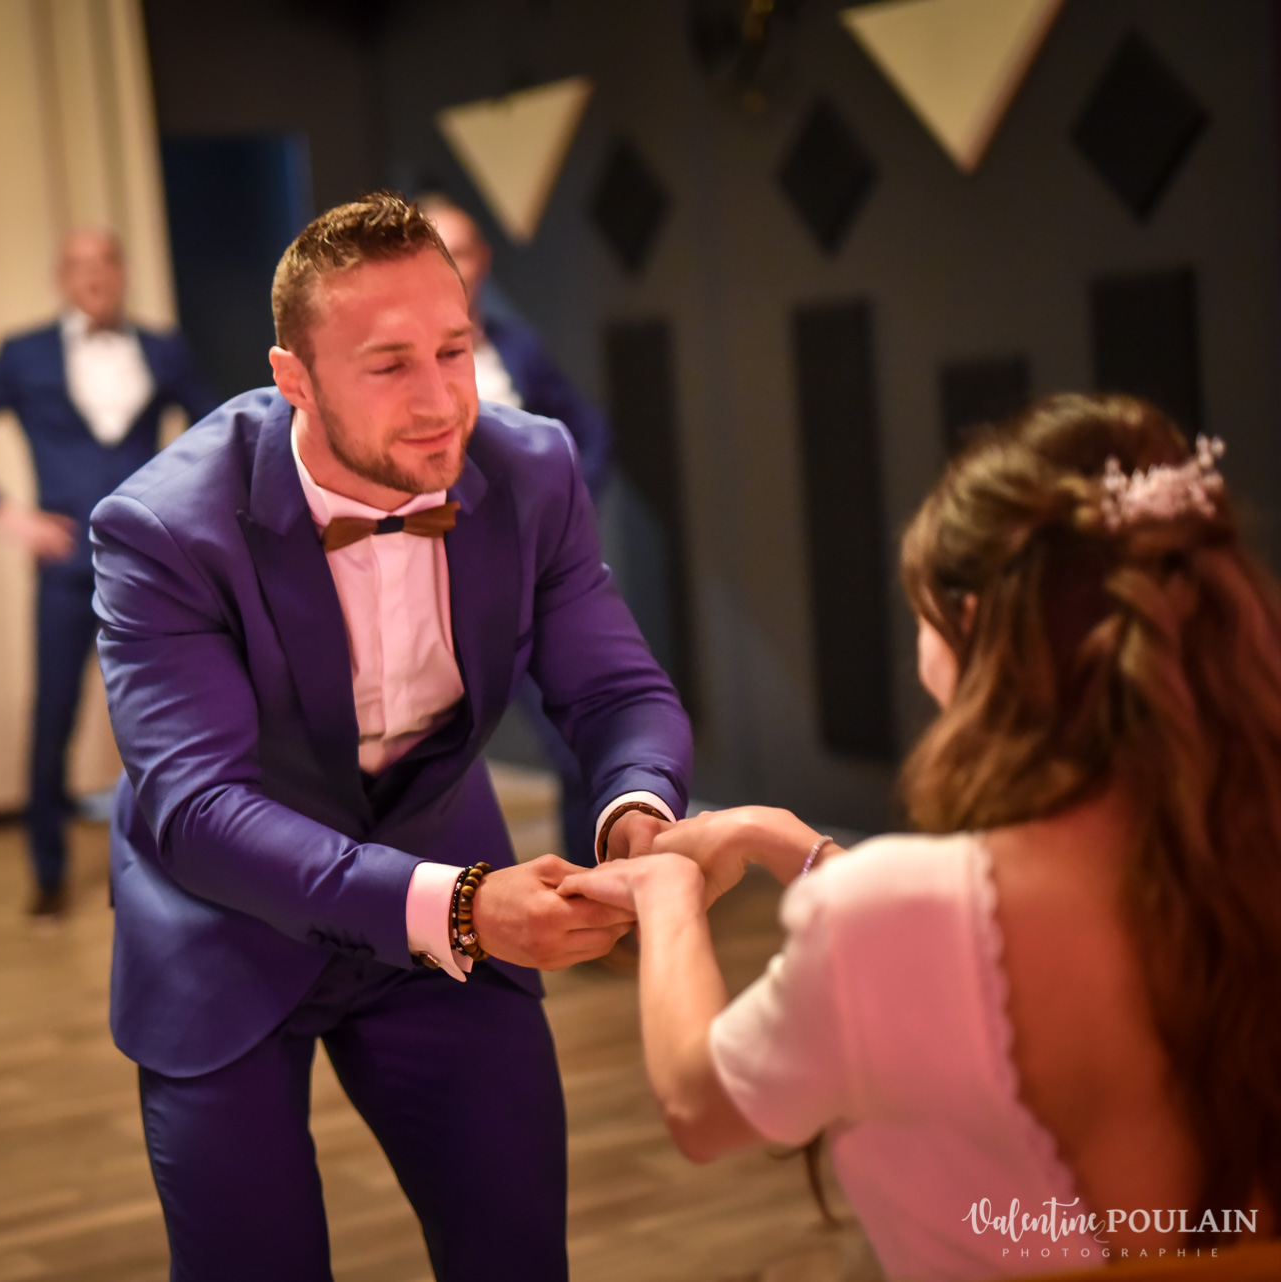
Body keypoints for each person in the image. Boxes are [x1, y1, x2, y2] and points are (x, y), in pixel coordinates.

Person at [90, 193, 691, 1281]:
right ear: (294, 379)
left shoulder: (533, 468)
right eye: (388, 364)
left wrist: (636, 814)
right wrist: (460, 906)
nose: (439, 401)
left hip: (443, 882)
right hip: (227, 924)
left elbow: (616, 691)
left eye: (454, 350)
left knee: (515, 1255)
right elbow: (201, 811)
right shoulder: (163, 528)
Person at [564, 395, 1281, 1278]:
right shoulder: (1244, 852)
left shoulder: (888, 917)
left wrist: (666, 895)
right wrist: (786, 843)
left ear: (967, 622)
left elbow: (698, 1107)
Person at [0, 228, 217, 920]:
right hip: (66, 569)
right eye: (79, 266)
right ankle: (48, 872)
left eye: (105, 263)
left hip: (148, 567)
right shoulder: (23, 354)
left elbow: (217, 433)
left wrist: (187, 516)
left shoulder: (164, 349)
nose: (94, 277)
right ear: (62, 278)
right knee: (53, 714)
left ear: (122, 272)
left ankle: (179, 864)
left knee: (166, 717)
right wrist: (6, 517)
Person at [422, 195, 614, 867]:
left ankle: (589, 893)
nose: (455, 267)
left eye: (464, 250)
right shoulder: (400, 369)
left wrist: (565, 509)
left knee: (581, 739)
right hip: (436, 590)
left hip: (529, 580)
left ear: (484, 260)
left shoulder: (516, 347)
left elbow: (589, 432)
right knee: (420, 768)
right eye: (439, 252)